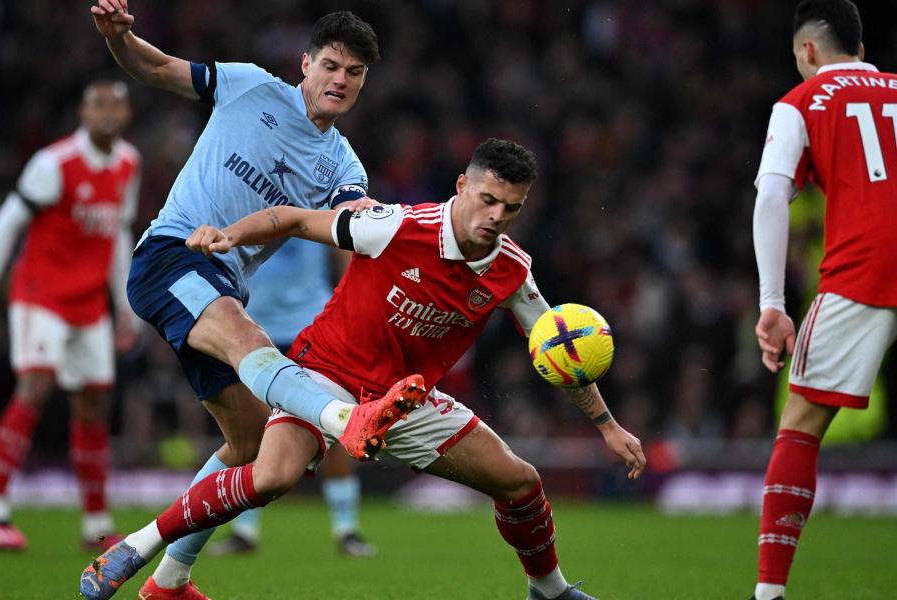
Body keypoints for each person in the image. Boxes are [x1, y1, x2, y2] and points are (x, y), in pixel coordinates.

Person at [80, 139, 647, 600]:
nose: (496, 217)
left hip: (406, 399)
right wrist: (232, 237)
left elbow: (563, 351)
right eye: (487, 200)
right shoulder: (395, 226)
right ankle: (137, 546)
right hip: (325, 375)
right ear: (462, 187)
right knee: (272, 475)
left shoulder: (512, 272)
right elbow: (298, 220)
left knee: (522, 483)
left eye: (512, 208)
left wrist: (606, 426)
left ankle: (548, 591)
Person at [90, 3, 421, 597]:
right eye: (331, 66)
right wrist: (121, 39)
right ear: (306, 65)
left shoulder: (343, 162)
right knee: (254, 344)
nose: (340, 80)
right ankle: (344, 419)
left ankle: (169, 580)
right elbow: (159, 68)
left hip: (221, 286)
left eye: (354, 73)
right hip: (170, 255)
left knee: (250, 448)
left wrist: (373, 221)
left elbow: (346, 216)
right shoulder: (248, 86)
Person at [751, 2, 897, 599]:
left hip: (864, 267)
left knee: (801, 427)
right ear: (860, 48)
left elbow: (770, 198)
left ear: (807, 51)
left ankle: (768, 594)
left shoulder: (800, 102)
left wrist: (772, 302)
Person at [0, 81, 141, 551]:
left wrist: (124, 302)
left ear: (126, 114)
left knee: (93, 404)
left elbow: (118, 232)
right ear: (83, 111)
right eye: (99, 104)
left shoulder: (128, 163)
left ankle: (95, 525)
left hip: (88, 304)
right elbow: (7, 224)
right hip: (41, 296)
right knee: (36, 387)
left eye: (116, 105)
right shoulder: (54, 164)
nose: (107, 113)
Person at [208, 240, 377, 558]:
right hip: (253, 330)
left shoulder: (312, 205)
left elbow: (345, 251)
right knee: (256, 430)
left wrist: (352, 309)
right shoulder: (249, 205)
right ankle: (244, 531)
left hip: (313, 327)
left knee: (333, 429)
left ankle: (347, 529)